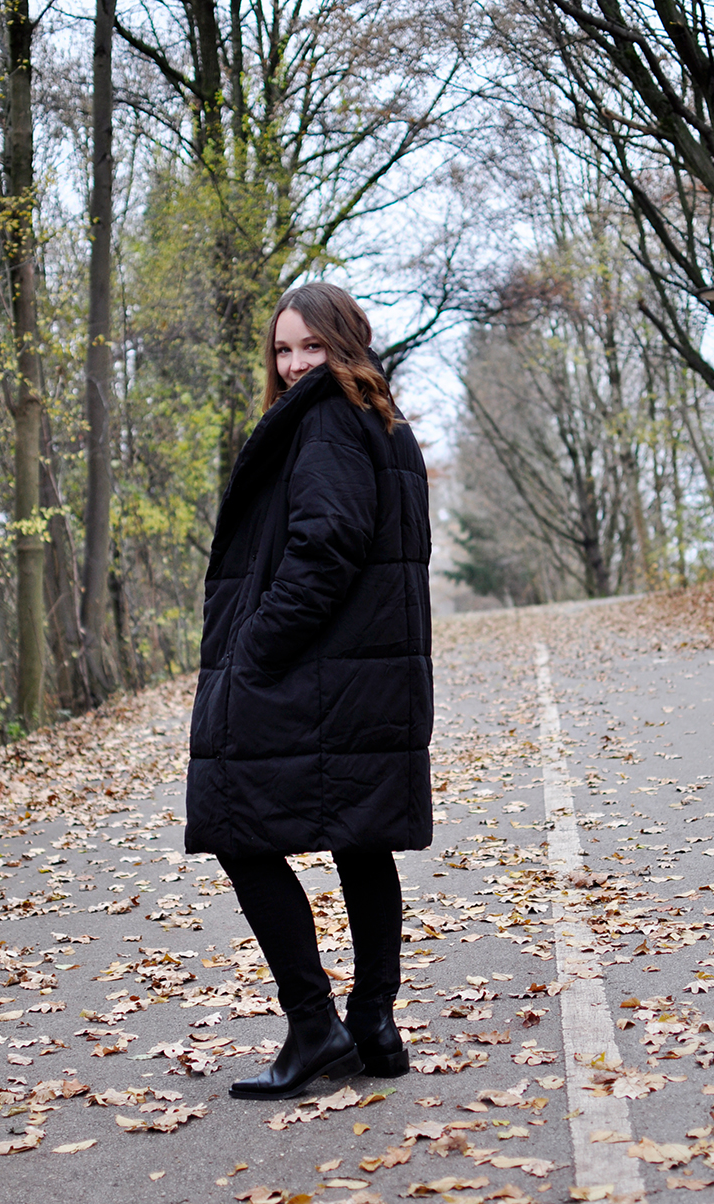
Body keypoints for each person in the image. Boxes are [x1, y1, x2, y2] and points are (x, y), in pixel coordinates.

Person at [185, 281, 433, 1100]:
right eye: (283, 350)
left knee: (233, 823)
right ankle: (373, 1024)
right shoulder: (383, 421)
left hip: (314, 669)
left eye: (311, 346)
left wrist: (253, 649)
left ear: (345, 344)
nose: (294, 365)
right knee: (361, 838)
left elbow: (325, 548)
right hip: (365, 674)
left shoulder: (325, 419)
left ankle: (314, 1024)